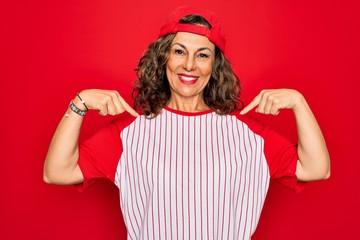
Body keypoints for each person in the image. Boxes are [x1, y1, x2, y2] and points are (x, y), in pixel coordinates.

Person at [43, 6, 330, 240]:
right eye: (179, 51)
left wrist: (299, 103)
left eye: (202, 55)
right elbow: (57, 172)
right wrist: (79, 103)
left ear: (214, 66)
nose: (189, 65)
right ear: (163, 57)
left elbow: (316, 168)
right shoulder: (129, 134)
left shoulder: (249, 135)